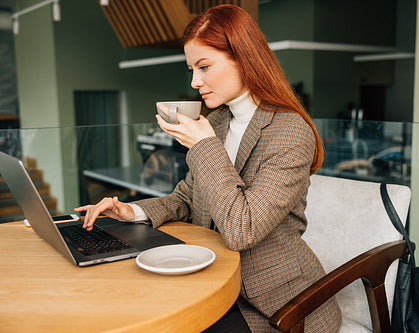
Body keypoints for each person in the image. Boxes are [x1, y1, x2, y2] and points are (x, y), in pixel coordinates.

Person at [75, 4, 341, 332]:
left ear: (243, 57)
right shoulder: (217, 121)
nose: (195, 81)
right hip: (217, 279)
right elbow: (187, 199)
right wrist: (130, 211)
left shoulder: (289, 131)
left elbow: (242, 229)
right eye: (191, 69)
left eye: (204, 66)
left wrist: (203, 146)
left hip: (276, 302)